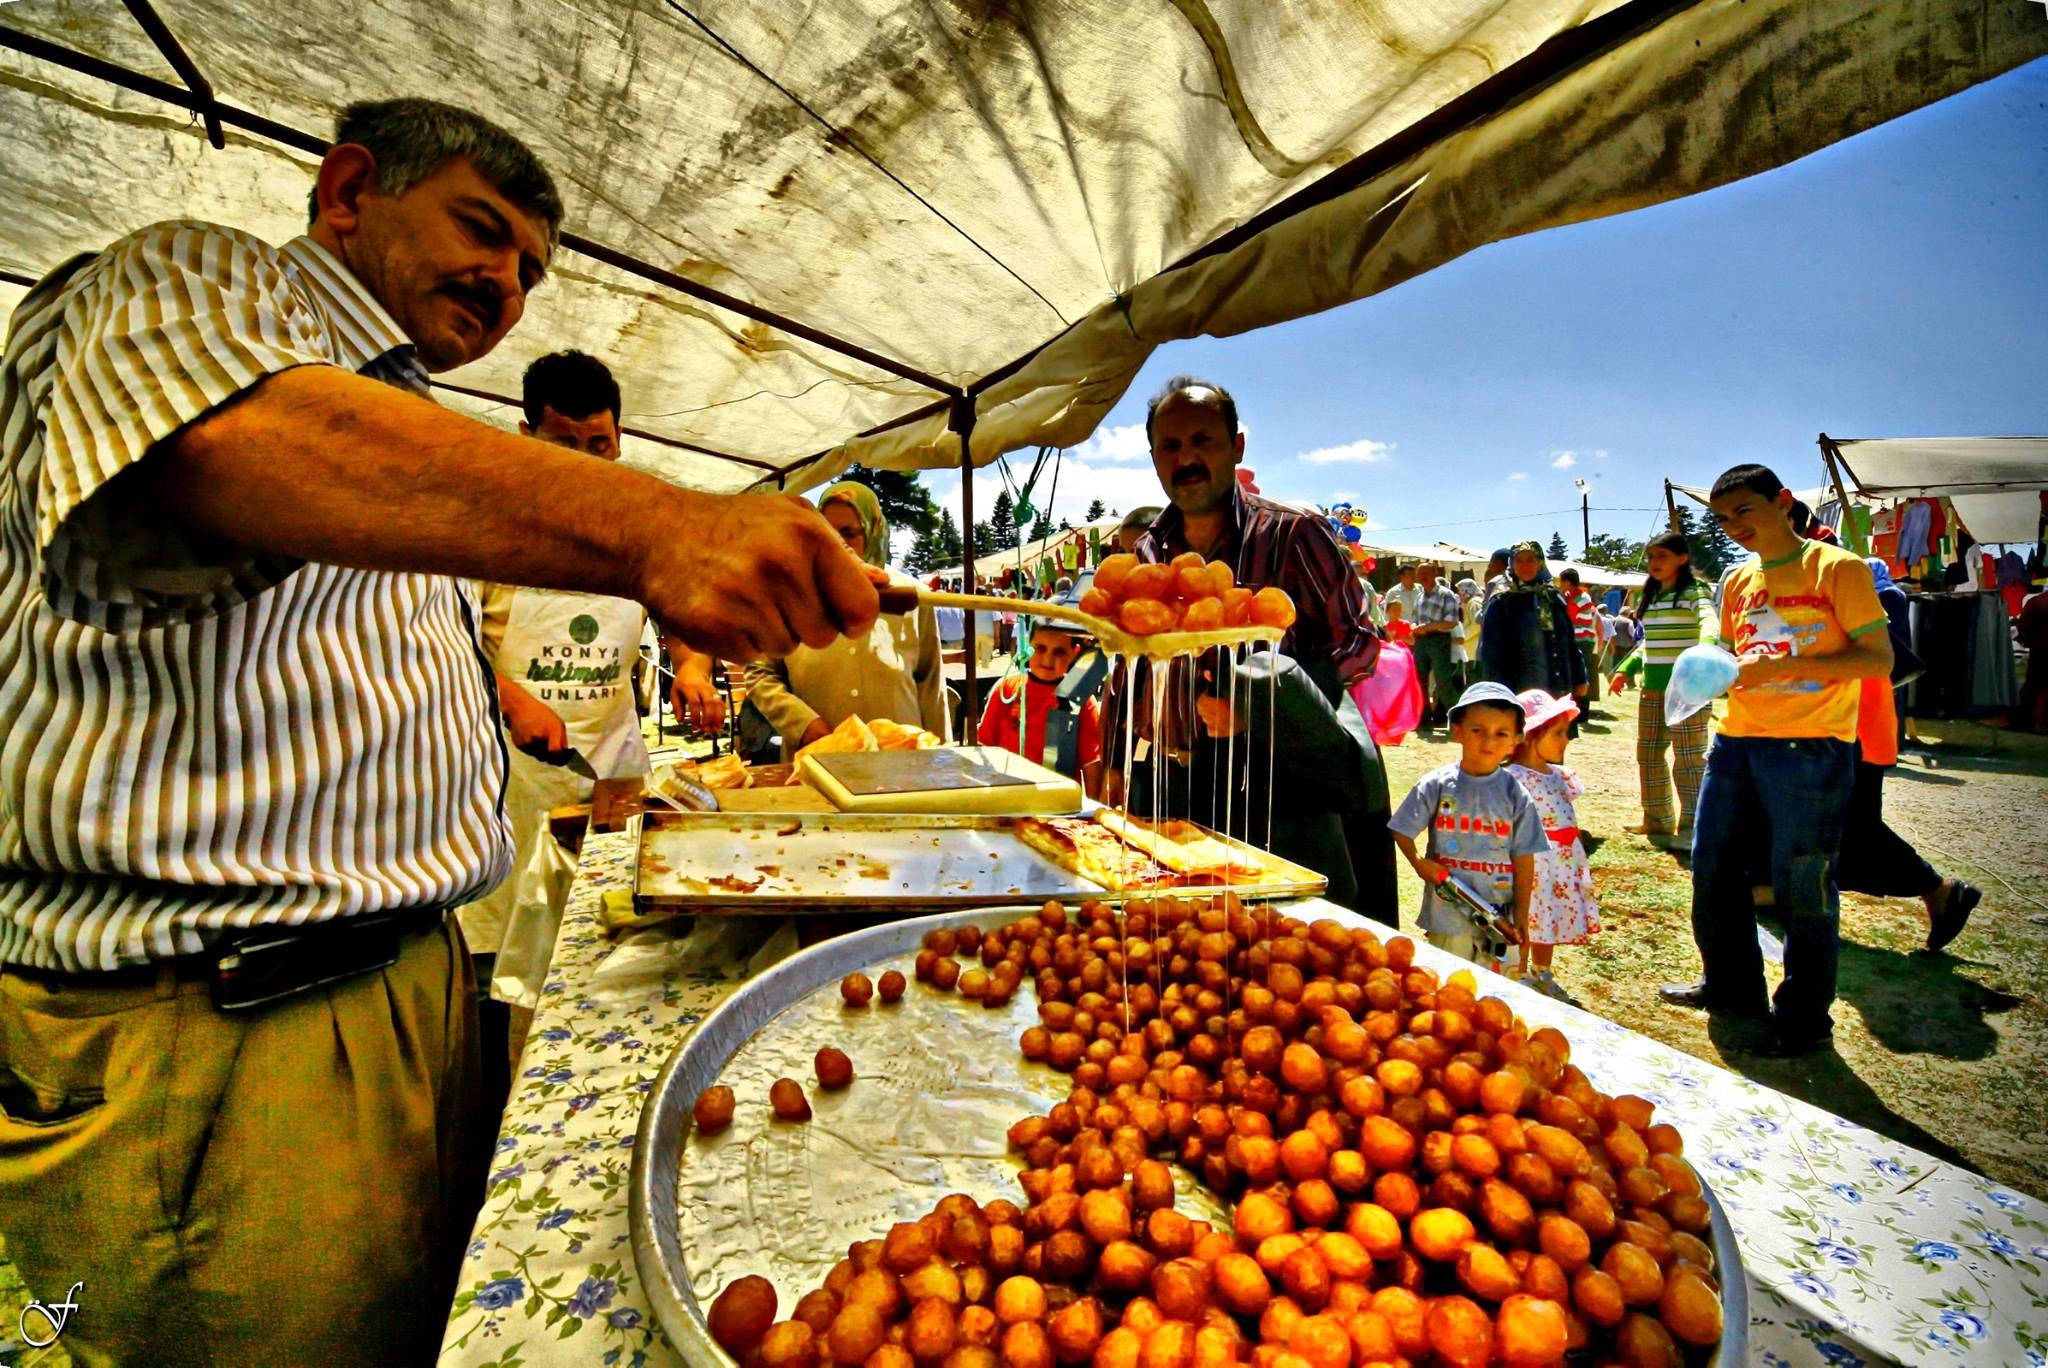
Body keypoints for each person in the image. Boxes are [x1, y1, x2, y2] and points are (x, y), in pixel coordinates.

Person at [0, 98, 878, 1366]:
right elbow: (219, 440)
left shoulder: (413, 435)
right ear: (350, 188)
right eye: (482, 230)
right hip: (216, 1032)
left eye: (528, 268)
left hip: (402, 979)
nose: (504, 282)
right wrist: (657, 527)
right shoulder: (180, 278)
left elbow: (406, 655)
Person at [461, 351, 723, 1024]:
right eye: (564, 445)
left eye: (598, 446)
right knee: (512, 980)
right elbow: (441, 640)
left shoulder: (635, 535)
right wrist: (508, 695)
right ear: (529, 439)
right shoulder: (487, 529)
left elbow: (677, 617)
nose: (584, 461)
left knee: (617, 961)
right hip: (514, 791)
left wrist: (690, 663)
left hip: (614, 782)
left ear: (619, 441)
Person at [1100, 376, 1392, 917]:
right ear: (1155, 458)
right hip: (1176, 786)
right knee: (1183, 938)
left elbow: (1358, 642)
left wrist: (1264, 706)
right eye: (1171, 446)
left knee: (1285, 940)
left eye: (1202, 440)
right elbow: (1130, 665)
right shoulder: (1147, 549)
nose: (1186, 457)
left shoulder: (1293, 534)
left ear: (1236, 446)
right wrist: (1115, 757)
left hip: (1281, 794)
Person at [1660, 465, 1891, 1057]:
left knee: (1802, 882)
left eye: (1744, 511)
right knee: (1713, 870)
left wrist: (1787, 668)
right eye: (1721, 518)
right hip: (1734, 740)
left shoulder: (1837, 569)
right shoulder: (1738, 579)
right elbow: (1738, 656)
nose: (1733, 527)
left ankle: (1805, 1017)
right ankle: (1730, 988)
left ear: (1783, 502)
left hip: (1811, 748)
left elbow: (1876, 660)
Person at [1835, 557, 1981, 950]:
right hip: (1853, 720)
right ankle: (1938, 890)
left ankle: (1940, 889)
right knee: (1847, 822)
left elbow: (1877, 662)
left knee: (1855, 823)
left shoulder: (1868, 591)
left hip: (1856, 721)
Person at [746, 481, 949, 758]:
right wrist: (802, 723)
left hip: (901, 764)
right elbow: (760, 673)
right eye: (827, 532)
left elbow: (930, 684)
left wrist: (940, 756)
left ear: (874, 533)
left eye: (849, 533)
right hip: (819, 759)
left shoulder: (912, 597)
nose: (838, 544)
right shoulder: (792, 594)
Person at [1388, 682, 1546, 969]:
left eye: (1501, 734)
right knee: (1448, 989)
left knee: (1497, 996)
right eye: (1478, 730)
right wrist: (1418, 863)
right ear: (1458, 730)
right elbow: (1401, 828)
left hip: (1500, 919)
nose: (1488, 741)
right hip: (1448, 915)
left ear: (1516, 740)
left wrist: (1522, 913)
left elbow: (1524, 857)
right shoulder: (1437, 785)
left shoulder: (1516, 795)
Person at [1608, 531, 1717, 843]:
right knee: (1649, 754)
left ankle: (1692, 827)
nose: (1654, 563)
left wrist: (1706, 647)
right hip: (1652, 689)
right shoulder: (1653, 595)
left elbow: (1710, 621)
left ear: (1682, 559)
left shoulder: (1694, 590)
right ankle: (1656, 819)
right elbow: (1649, 644)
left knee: (1690, 758)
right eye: (1651, 556)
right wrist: (1625, 669)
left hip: (1688, 689)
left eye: (1662, 556)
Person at [1508, 689, 1601, 999]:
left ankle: (1541, 971)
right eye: (1559, 733)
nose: (1567, 740)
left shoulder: (1560, 776)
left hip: (1561, 864)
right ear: (1532, 735)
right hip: (1534, 864)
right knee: (1528, 918)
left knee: (1548, 918)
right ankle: (1518, 972)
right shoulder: (1514, 779)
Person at [978, 619, 1105, 792]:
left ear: (1074, 653)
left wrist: (1094, 809)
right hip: (1006, 794)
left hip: (1058, 802)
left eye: (1059, 652)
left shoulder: (1079, 698)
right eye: (1041, 648)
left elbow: (1091, 764)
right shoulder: (1007, 689)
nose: (1048, 659)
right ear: (1029, 645)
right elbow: (984, 747)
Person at [1479, 541, 1587, 703]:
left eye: (1531, 559)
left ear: (1540, 562)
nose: (1525, 565)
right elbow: (1490, 652)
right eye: (1519, 560)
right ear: (1511, 564)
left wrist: (1580, 677)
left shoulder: (1552, 598)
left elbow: (1569, 642)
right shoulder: (1502, 601)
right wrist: (1496, 693)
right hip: (1519, 690)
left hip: (1557, 686)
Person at [1408, 562, 1463, 729]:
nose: (1423, 576)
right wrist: (1415, 628)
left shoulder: (1446, 594)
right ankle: (1424, 720)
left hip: (1439, 639)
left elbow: (1452, 622)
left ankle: (1458, 720)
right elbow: (1416, 620)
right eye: (1420, 573)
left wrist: (1429, 627)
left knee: (1443, 681)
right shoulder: (1420, 596)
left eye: (1426, 572)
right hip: (1421, 641)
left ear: (1434, 573)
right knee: (1419, 681)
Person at [1557, 567, 1602, 714]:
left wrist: (1563, 596)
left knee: (1582, 675)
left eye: (1562, 582)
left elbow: (1568, 614)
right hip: (1577, 640)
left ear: (1567, 582)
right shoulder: (1574, 596)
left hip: (1583, 640)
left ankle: (1582, 710)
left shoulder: (1582, 597)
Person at [1456, 577, 1484, 688]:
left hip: (1474, 652)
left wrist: (1462, 636)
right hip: (1473, 651)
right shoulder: (1472, 602)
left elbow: (1477, 625)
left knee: (1474, 683)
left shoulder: (1474, 603)